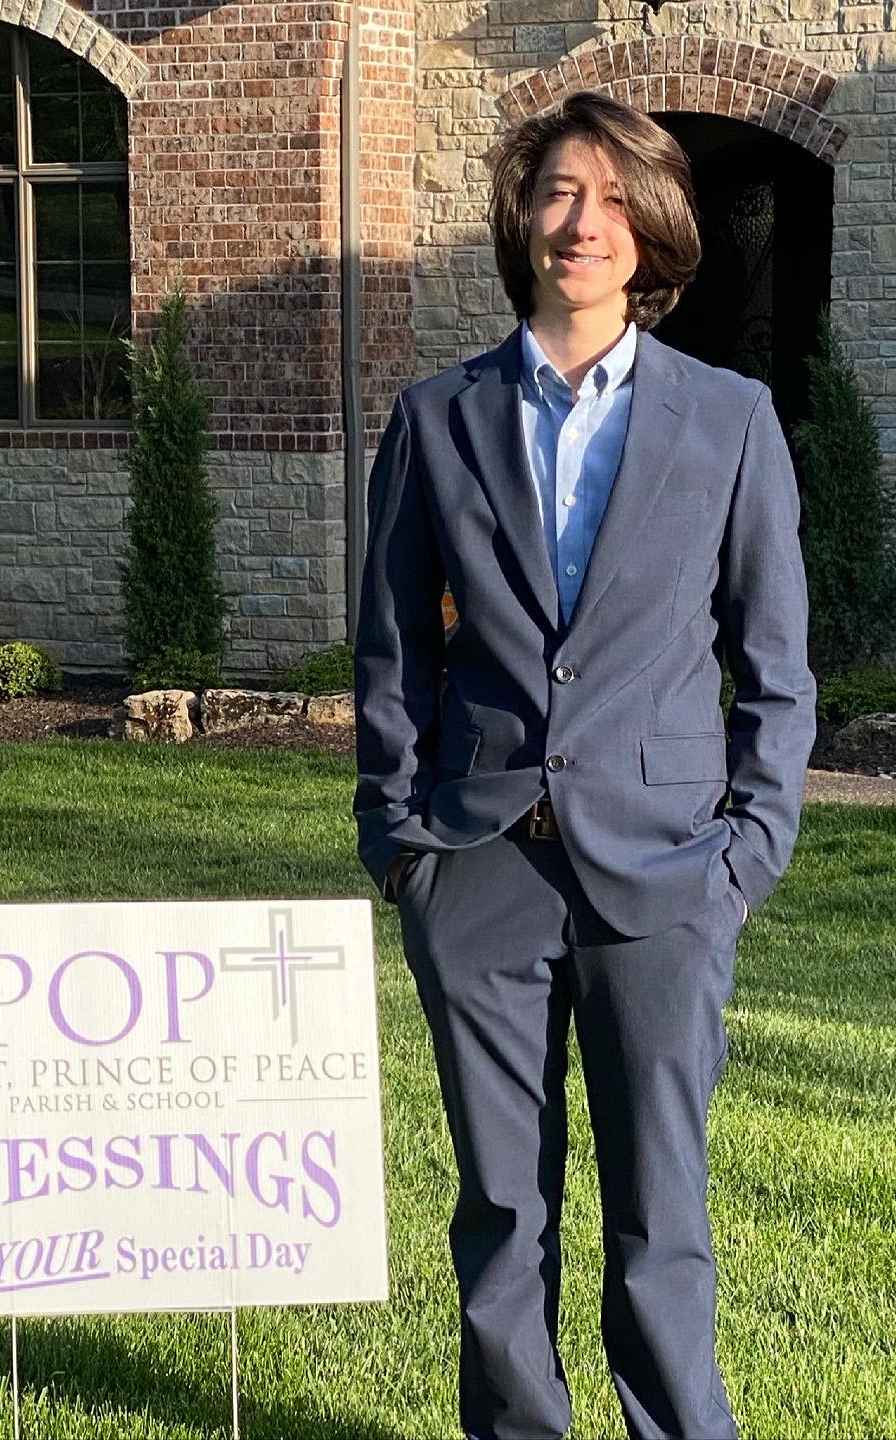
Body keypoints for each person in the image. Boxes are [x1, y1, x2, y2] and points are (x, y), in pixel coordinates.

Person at [353, 89, 816, 1440]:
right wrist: (402, 841)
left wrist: (744, 859)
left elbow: (776, 667)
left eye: (614, 199)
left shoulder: (729, 420)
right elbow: (393, 649)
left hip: (667, 875)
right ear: (523, 216)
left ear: (654, 231)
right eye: (560, 191)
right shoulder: (437, 418)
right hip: (478, 864)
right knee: (502, 1208)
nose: (583, 222)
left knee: (661, 1216)